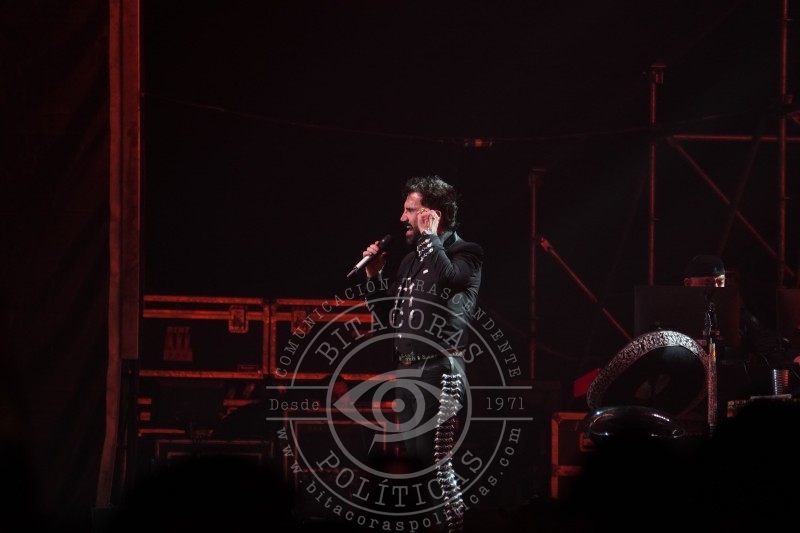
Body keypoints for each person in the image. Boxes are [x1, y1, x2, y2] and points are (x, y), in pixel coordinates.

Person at [360, 175, 483, 533]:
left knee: (435, 464)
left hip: (441, 369)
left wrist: (431, 237)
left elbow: (450, 279)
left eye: (410, 210)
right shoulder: (409, 261)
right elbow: (389, 317)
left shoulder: (467, 253)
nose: (403, 218)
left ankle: (451, 528)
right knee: (416, 464)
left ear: (433, 214)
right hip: (408, 371)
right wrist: (374, 278)